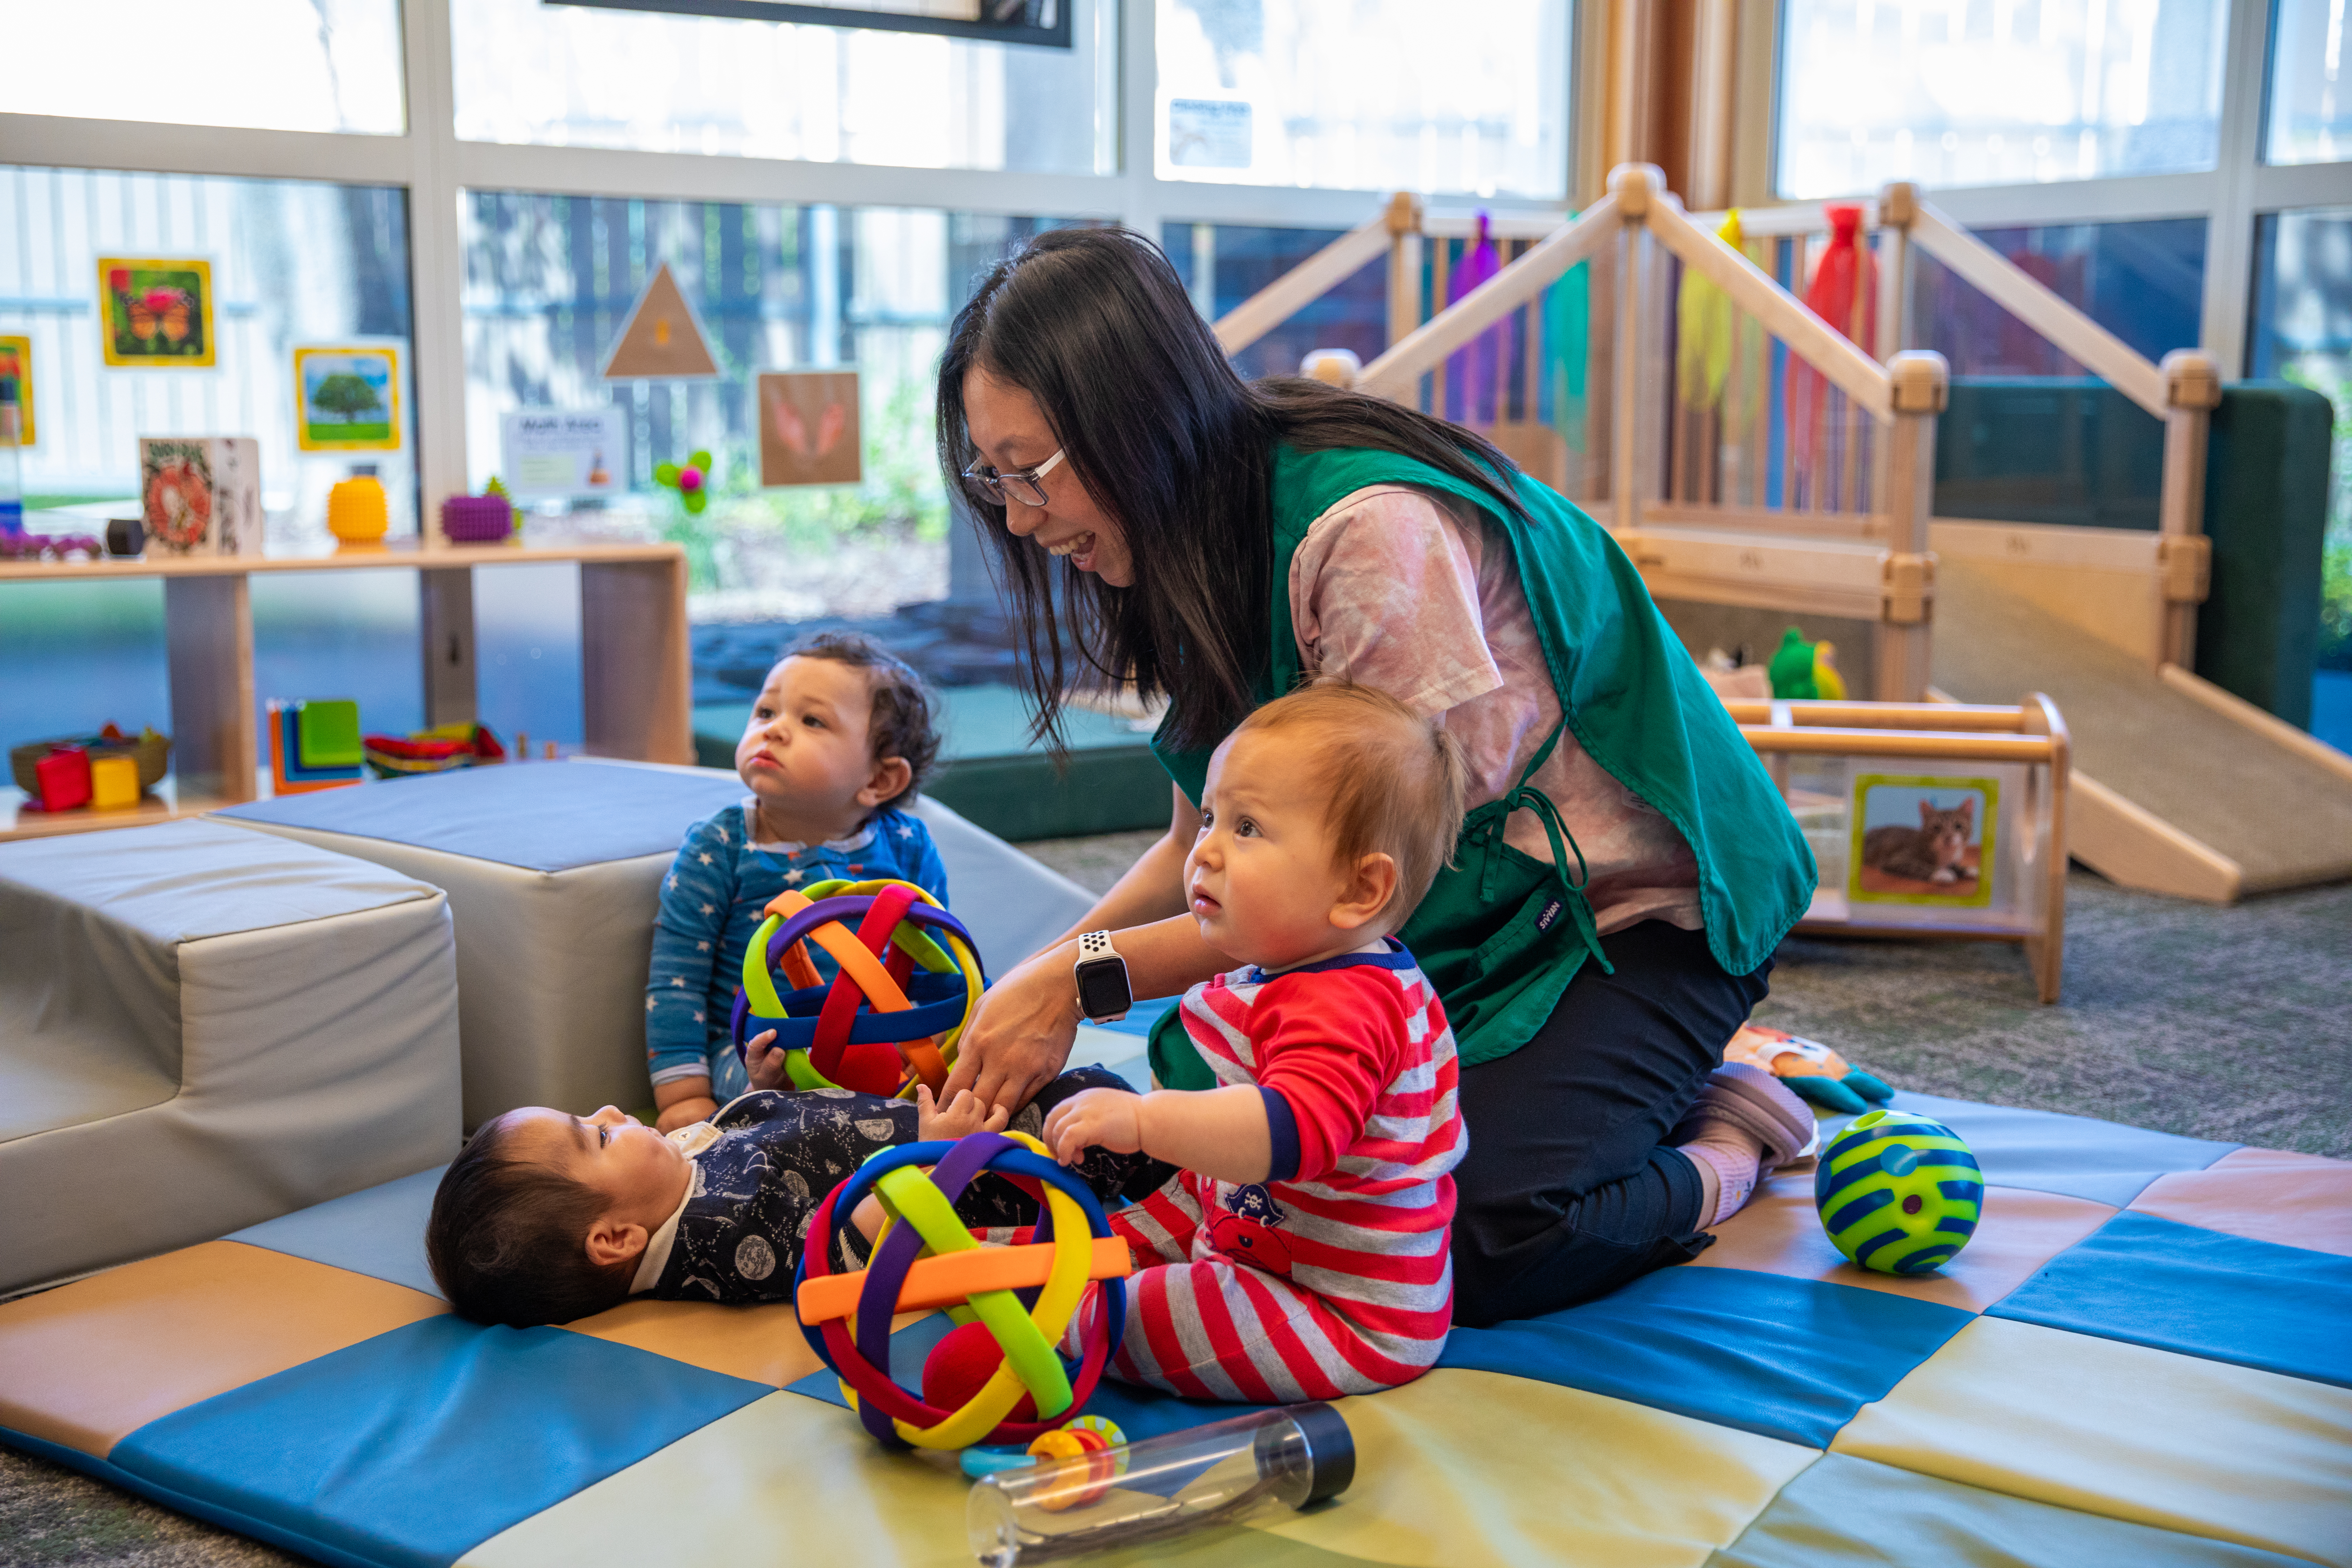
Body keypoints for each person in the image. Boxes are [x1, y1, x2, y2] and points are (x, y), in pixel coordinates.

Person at [936, 227, 1818, 1328]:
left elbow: (1313, 895)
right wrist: (1033, 986)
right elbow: (1191, 852)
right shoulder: (1185, 547)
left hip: (1635, 916)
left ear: (1132, 416)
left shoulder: (1364, 540)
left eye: (1033, 473)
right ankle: (1623, 1089)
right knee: (1220, 1162)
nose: (1018, 516)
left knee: (1468, 1237)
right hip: (1436, 918)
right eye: (994, 476)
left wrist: (1075, 983)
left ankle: (1730, 1132)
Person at [1041, 682, 1470, 1400]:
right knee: (1126, 1234)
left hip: (1341, 1315)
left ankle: (1043, 1313)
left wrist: (1146, 1122)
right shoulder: (1287, 962)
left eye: (1247, 829)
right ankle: (1028, 1267)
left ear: (1360, 889)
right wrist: (1059, 968)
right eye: (1212, 817)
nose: (1205, 848)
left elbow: (1291, 1131)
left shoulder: (1350, 1002)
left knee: (1153, 1308)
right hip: (1256, 1229)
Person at [425, 1028, 1161, 1328]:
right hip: (992, 1171)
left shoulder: (658, 1179)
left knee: (1068, 1081)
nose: (617, 1109)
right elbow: (847, 1246)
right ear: (615, 1237)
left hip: (926, 1116)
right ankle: (1193, 1171)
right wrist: (937, 1156)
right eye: (597, 1134)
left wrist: (754, 1084)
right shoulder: (716, 1243)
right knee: (1096, 1112)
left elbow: (735, 1136)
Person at [646, 630, 948, 1133]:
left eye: (812, 721)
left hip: (881, 1034)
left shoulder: (909, 845)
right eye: (766, 712)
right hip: (758, 1048)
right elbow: (677, 980)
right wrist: (683, 1096)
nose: (775, 730)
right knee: (794, 1098)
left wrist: (933, 1033)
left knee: (956, 1084)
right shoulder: (719, 846)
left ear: (878, 781)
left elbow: (933, 954)